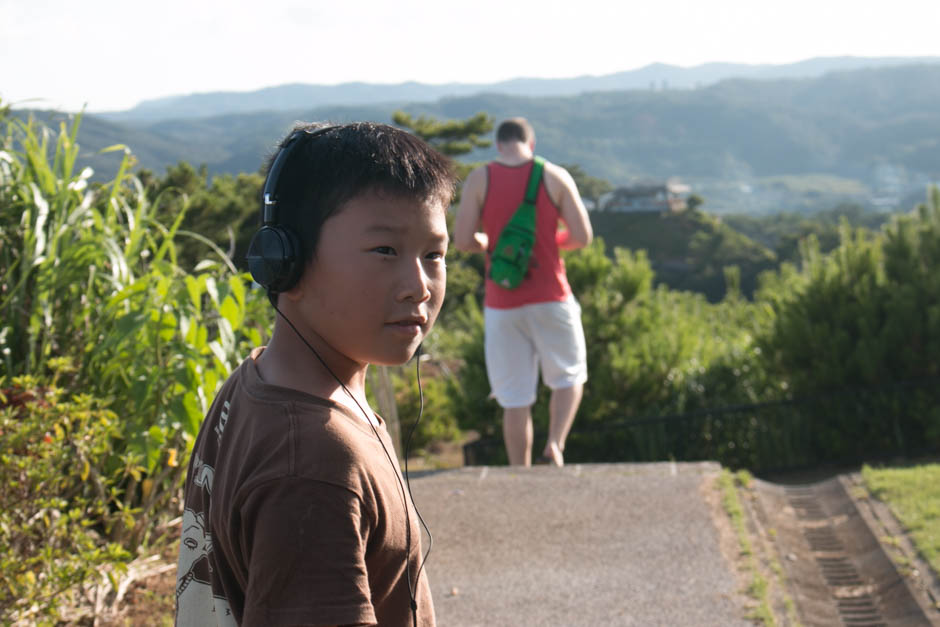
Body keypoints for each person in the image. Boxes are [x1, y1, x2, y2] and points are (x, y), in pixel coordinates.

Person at [175, 122, 456, 627]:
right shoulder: (312, 463)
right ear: (288, 263)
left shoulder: (257, 382)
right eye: (385, 251)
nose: (419, 286)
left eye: (434, 254)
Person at [454, 117, 592, 467]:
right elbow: (582, 236)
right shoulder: (555, 176)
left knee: (514, 398)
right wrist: (549, 243)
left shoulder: (479, 178)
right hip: (552, 297)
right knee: (568, 376)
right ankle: (556, 444)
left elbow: (463, 240)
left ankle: (520, 472)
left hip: (502, 304)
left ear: (499, 145)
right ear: (531, 144)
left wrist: (489, 242)